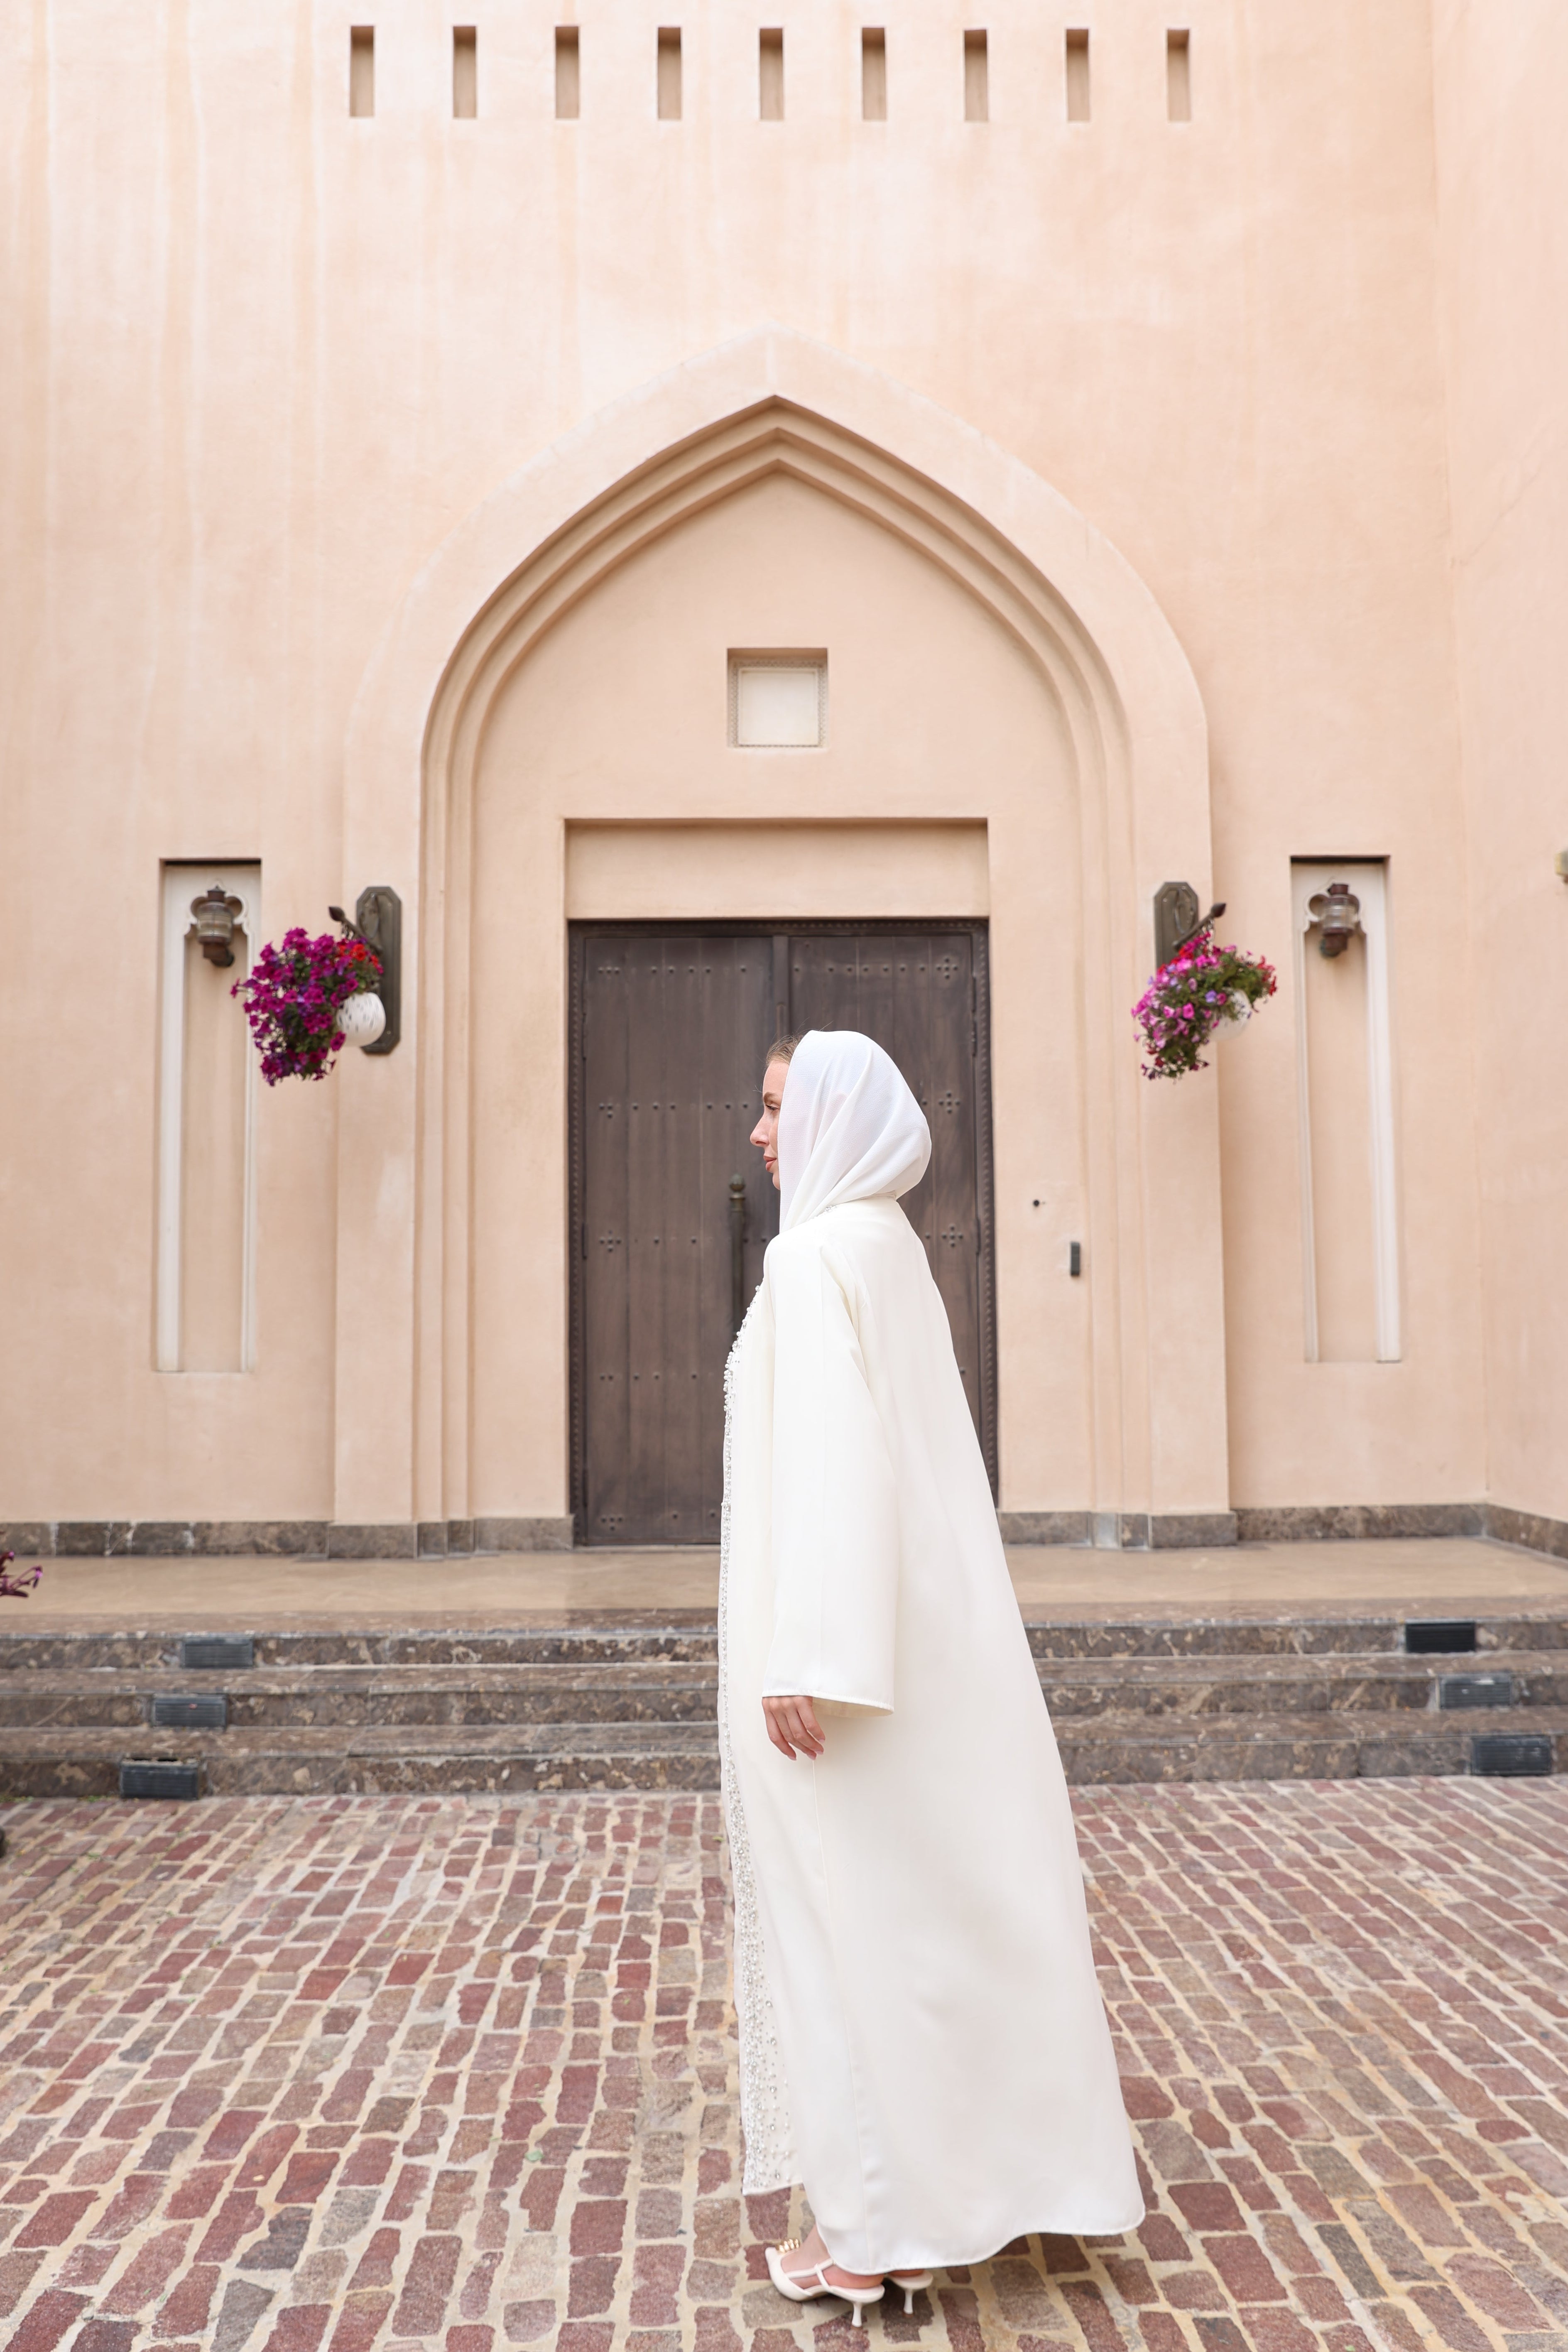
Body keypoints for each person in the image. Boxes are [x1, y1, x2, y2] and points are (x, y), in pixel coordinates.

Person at [719, 1027, 1142, 2328]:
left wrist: (812, 1662)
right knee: (934, 1932)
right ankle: (952, 2192)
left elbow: (842, 1469)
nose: (759, 1130)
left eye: (779, 1104)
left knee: (849, 1938)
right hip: (932, 1654)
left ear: (834, 1117)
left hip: (842, 1675)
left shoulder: (811, 1259)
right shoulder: (889, 1251)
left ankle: (869, 2239)